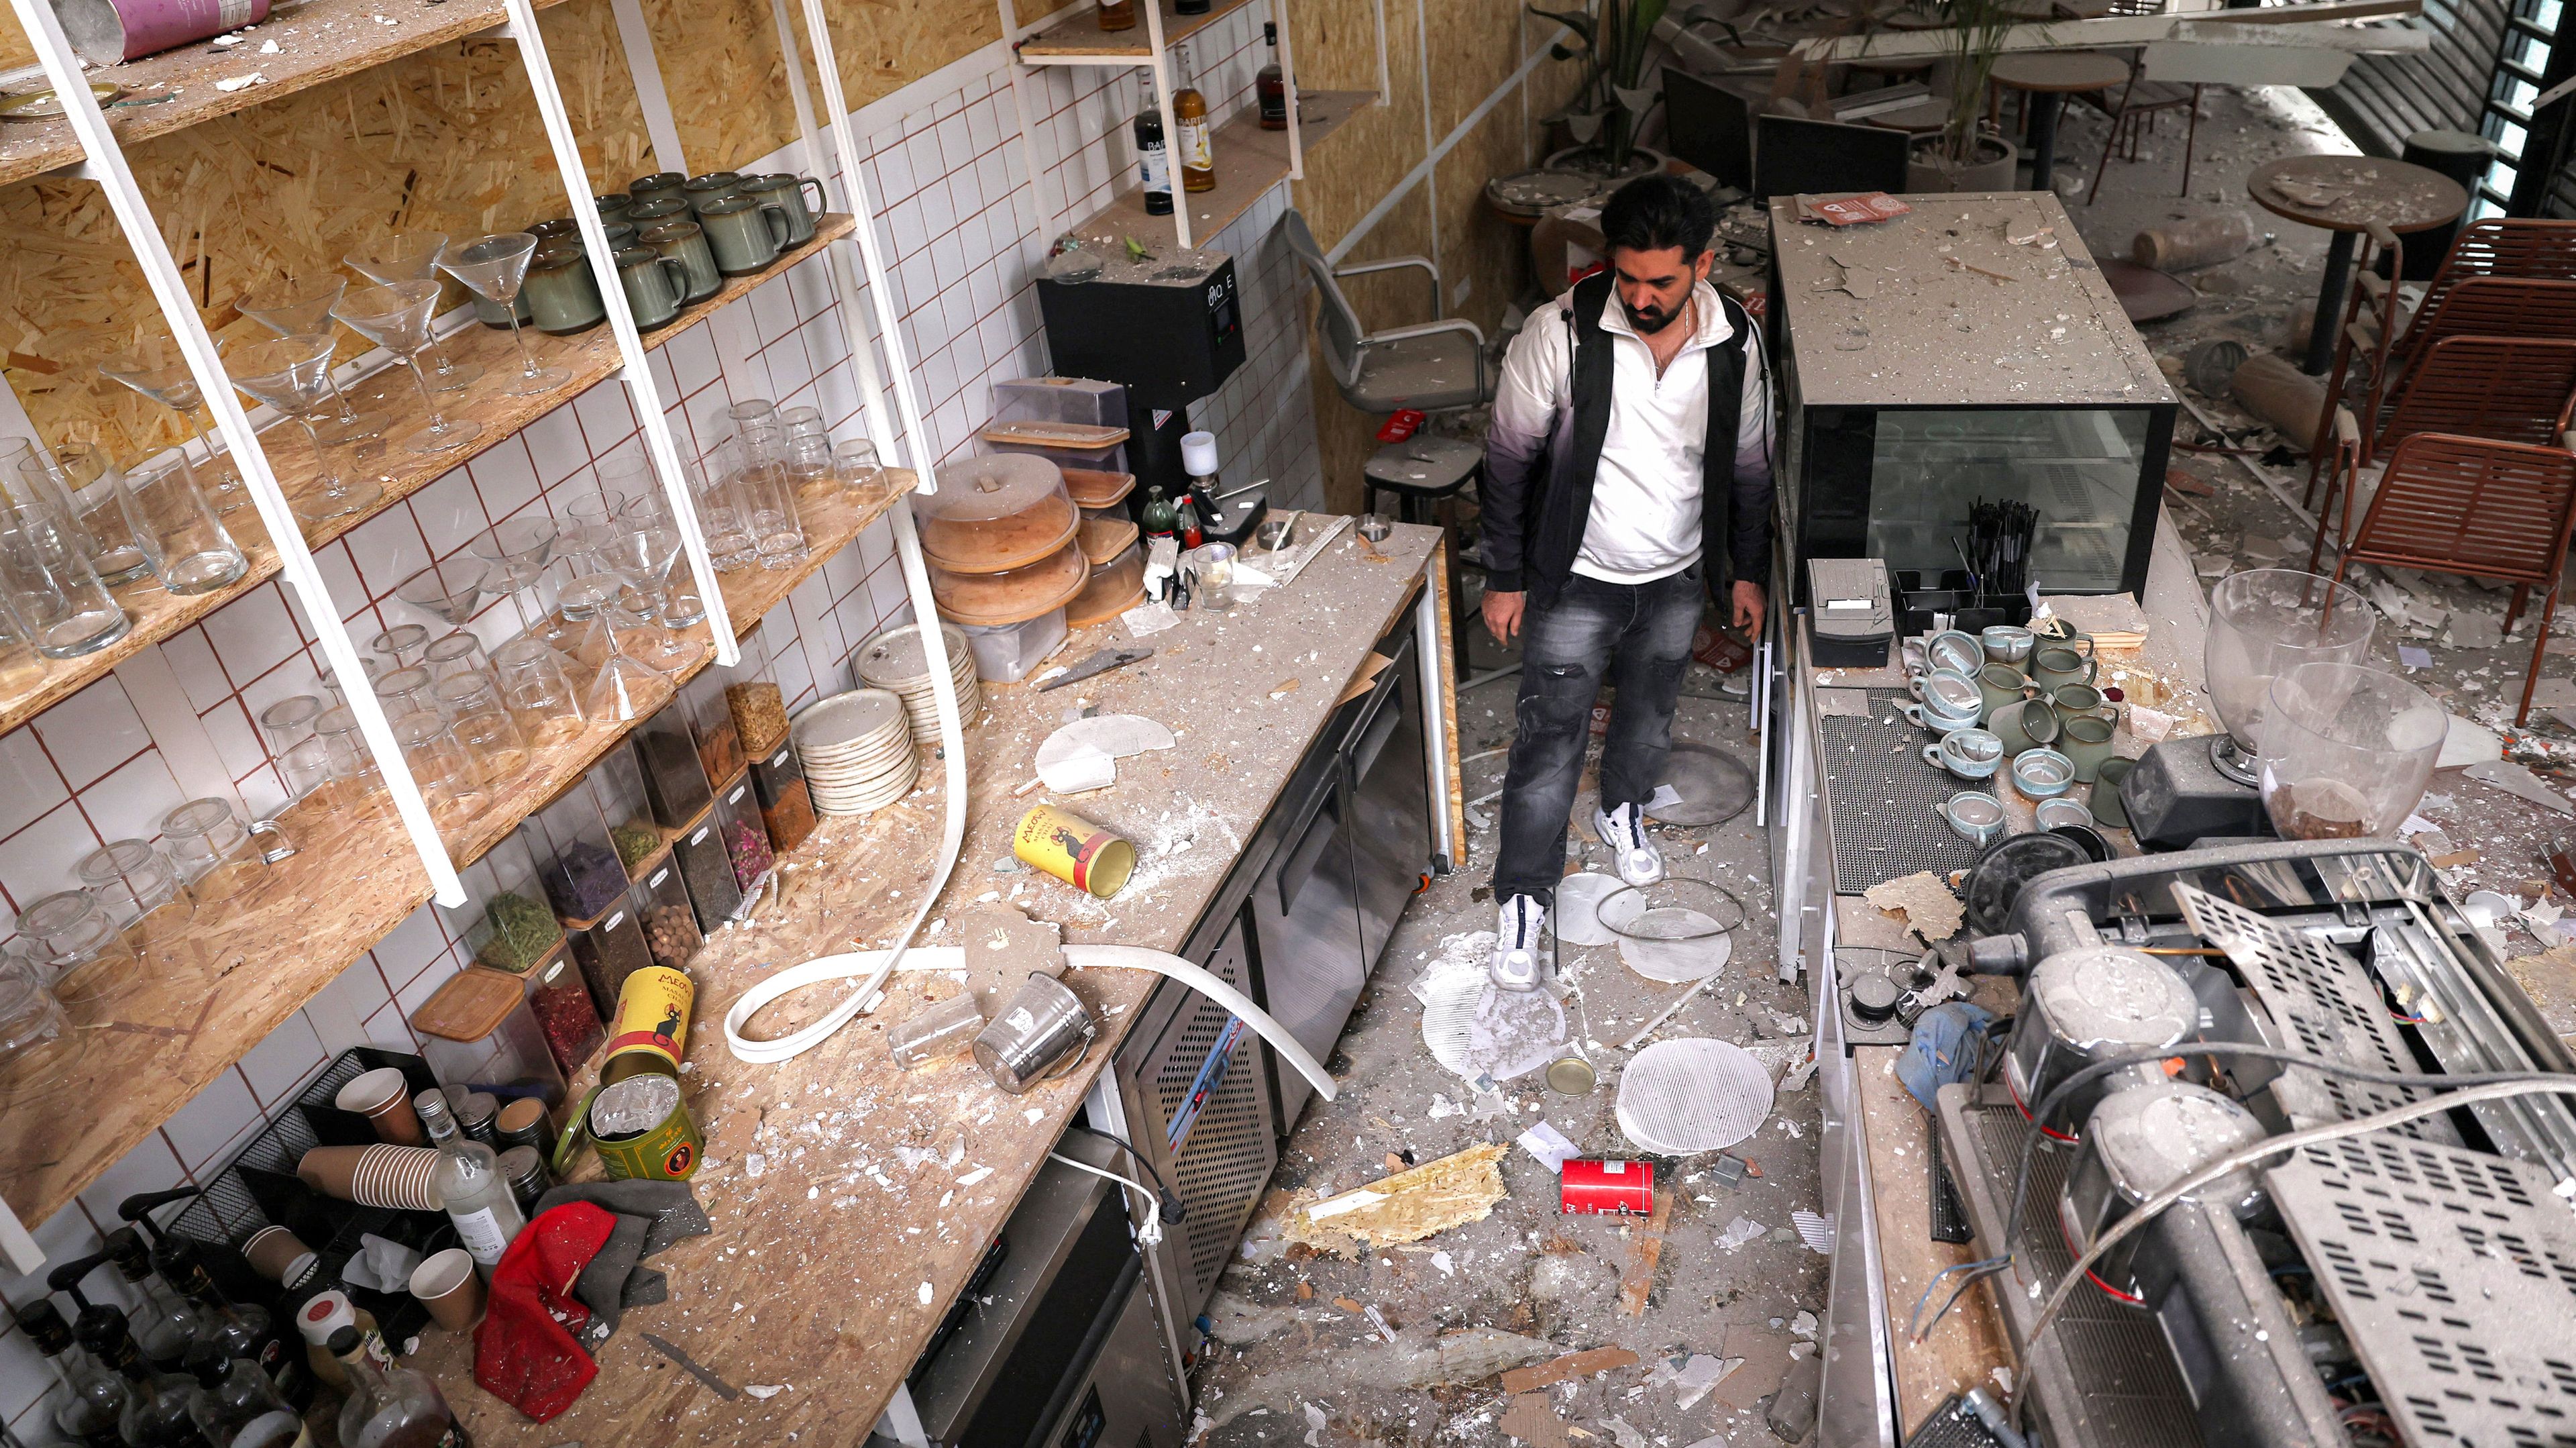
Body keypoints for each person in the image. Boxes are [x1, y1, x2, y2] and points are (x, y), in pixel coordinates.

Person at [1477, 172, 1772, 988]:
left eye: (1661, 282)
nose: (1640, 297)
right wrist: (1504, 576)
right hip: (1576, 576)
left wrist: (1747, 572)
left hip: (1677, 574)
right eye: (1629, 276)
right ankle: (1525, 897)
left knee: (1650, 712)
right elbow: (1506, 464)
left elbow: (1750, 470)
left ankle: (1622, 809)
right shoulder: (1561, 333)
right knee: (1547, 746)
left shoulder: (1736, 343)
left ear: (1704, 265)